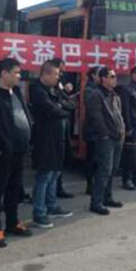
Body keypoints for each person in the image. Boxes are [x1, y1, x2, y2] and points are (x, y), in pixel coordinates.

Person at [0, 58, 33, 248]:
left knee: (14, 189)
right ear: (4, 73)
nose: (19, 76)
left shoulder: (16, 92)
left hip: (19, 151)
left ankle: (12, 222)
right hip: (2, 154)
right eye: (16, 72)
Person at [30, 61, 74, 229]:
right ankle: (39, 213)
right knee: (44, 175)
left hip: (56, 138)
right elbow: (53, 110)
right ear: (45, 74)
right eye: (55, 74)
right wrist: (61, 108)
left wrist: (61, 106)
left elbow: (69, 104)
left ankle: (52, 205)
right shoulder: (37, 90)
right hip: (44, 138)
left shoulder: (53, 89)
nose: (58, 78)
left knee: (54, 173)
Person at [86, 67, 126, 215]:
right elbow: (95, 117)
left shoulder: (114, 95)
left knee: (113, 169)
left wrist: (122, 130)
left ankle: (107, 197)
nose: (115, 79)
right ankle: (96, 202)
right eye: (112, 76)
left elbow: (118, 114)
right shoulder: (96, 95)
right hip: (106, 138)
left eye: (115, 76)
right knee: (104, 170)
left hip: (117, 136)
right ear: (103, 79)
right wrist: (105, 133)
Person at [49, 58, 76, 199]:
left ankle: (58, 188)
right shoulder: (48, 88)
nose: (61, 74)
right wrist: (64, 105)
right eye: (59, 71)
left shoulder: (59, 84)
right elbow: (57, 105)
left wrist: (65, 101)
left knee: (60, 161)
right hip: (53, 131)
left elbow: (70, 103)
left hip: (63, 127)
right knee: (50, 167)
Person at [83, 66, 101, 195]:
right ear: (93, 76)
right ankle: (90, 184)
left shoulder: (99, 89)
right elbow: (93, 109)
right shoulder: (90, 90)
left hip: (99, 130)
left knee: (99, 159)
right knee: (92, 158)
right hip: (93, 130)